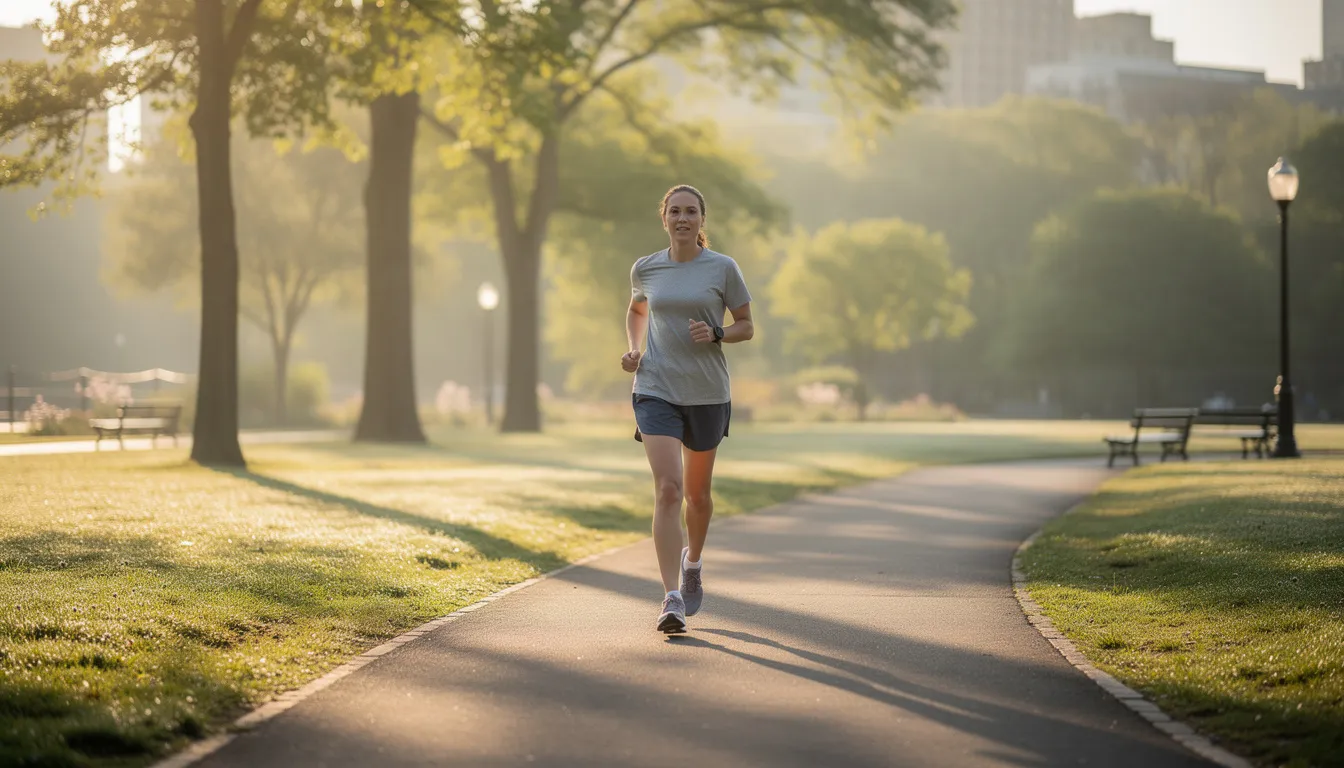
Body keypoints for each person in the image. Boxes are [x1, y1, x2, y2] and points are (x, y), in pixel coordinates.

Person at [622, 184, 754, 634]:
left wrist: (717, 333)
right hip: (655, 387)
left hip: (706, 392)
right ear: (664, 218)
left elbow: (747, 326)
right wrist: (633, 350)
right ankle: (670, 597)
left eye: (691, 212)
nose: (682, 218)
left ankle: (692, 563)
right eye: (675, 211)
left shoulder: (723, 268)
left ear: (701, 220)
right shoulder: (646, 268)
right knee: (668, 490)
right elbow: (637, 310)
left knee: (697, 497)